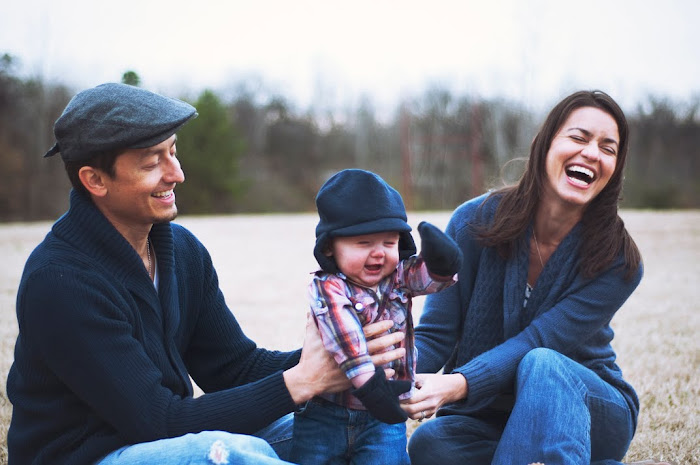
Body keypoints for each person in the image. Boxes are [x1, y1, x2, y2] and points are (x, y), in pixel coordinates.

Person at [5, 83, 404, 465]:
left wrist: (334, 356)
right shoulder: (60, 282)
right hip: (91, 456)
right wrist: (303, 382)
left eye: (173, 153)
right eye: (152, 163)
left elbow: (234, 368)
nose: (176, 173)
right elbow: (159, 421)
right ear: (94, 179)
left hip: (169, 441)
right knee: (224, 455)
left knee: (337, 430)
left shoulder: (181, 251)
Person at [402, 90, 667, 465]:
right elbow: (436, 334)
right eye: (578, 137)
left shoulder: (620, 262)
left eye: (608, 148)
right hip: (490, 416)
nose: (592, 153)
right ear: (544, 145)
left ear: (614, 168)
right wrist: (384, 376)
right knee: (431, 445)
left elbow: (537, 341)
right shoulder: (473, 221)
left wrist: (458, 383)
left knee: (542, 362)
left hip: (590, 409)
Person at [291, 169, 462, 465]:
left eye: (388, 242)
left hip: (382, 417)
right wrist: (371, 387)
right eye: (364, 243)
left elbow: (425, 280)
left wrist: (440, 266)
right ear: (331, 247)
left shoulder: (396, 277)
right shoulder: (328, 287)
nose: (379, 254)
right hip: (325, 415)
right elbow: (348, 341)